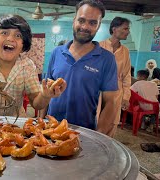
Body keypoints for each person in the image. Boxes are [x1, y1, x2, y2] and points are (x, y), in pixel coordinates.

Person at [0, 14, 67, 117]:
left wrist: (45, 96)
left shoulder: (27, 65)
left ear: (22, 45)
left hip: (15, 125)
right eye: (4, 33)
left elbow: (36, 104)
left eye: (18, 35)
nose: (11, 38)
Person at [46, 0, 118, 130]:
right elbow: (46, 92)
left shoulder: (107, 59)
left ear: (98, 25)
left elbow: (110, 103)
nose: (85, 27)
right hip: (51, 129)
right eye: (81, 20)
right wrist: (42, 123)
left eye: (92, 23)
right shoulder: (57, 52)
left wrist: (99, 137)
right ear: (74, 20)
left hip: (84, 132)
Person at [97, 17, 131, 137]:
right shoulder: (99, 47)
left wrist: (126, 97)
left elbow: (126, 76)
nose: (128, 31)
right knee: (95, 119)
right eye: (125, 28)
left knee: (111, 123)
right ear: (114, 29)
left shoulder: (125, 51)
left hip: (116, 92)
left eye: (128, 29)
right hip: (98, 90)